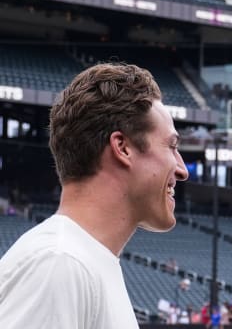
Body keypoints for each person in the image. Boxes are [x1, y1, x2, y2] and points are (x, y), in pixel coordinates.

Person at [0, 63, 189, 328]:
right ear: (122, 148)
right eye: (171, 146)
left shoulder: (82, 260)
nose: (182, 170)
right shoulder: (61, 263)